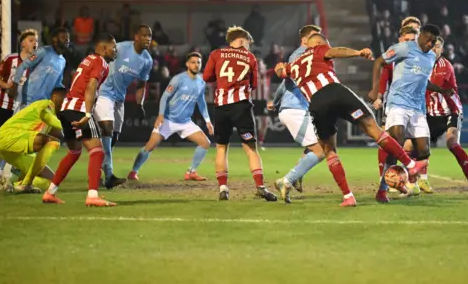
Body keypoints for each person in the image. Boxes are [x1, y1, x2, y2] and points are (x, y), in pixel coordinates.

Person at [277, 33, 428, 207]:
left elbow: (281, 72)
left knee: (330, 152)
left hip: (317, 105)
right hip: (335, 92)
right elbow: (336, 51)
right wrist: (357, 53)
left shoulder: (294, 64)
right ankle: (410, 164)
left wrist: (280, 68)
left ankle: (348, 196)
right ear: (318, 42)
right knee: (373, 128)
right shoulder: (318, 49)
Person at [368, 24, 451, 203]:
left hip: (418, 109)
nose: (430, 44)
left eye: (433, 42)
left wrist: (442, 90)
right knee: (396, 140)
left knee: (424, 151)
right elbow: (379, 62)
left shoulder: (430, 57)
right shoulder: (404, 48)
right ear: (420, 36)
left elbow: (422, 80)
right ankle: (383, 189)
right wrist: (376, 90)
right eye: (428, 40)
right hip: (397, 103)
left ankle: (405, 178)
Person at [42, 34, 118, 206]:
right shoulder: (101, 62)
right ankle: (92, 195)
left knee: (74, 152)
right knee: (97, 150)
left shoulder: (88, 59)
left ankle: (50, 192)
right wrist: (88, 114)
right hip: (79, 109)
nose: (116, 51)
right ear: (104, 48)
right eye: (114, 48)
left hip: (66, 109)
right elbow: (91, 86)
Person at [202, 26, 277, 202]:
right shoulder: (250, 57)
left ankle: (223, 188)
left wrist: (221, 81)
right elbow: (254, 85)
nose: (249, 47)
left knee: (221, 147)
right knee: (251, 149)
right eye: (249, 43)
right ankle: (260, 186)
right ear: (242, 40)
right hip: (241, 106)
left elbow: (206, 77)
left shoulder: (216, 54)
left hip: (221, 106)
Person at [128, 53, 213, 180]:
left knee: (205, 143)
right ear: (187, 64)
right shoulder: (178, 79)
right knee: (150, 146)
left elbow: (201, 102)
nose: (196, 65)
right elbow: (164, 97)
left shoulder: (201, 82)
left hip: (185, 122)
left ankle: (191, 172)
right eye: (193, 62)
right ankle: (134, 171)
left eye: (198, 62)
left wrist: (207, 121)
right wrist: (161, 115)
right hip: (168, 120)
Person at [266, 24, 325, 203]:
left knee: (319, 144)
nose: (318, 41)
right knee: (321, 150)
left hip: (301, 109)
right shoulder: (301, 55)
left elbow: (286, 83)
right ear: (304, 39)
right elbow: (286, 81)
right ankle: (287, 180)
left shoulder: (307, 56)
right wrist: (276, 101)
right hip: (295, 109)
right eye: (314, 37)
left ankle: (297, 175)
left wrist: (275, 101)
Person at [93, 25, 153, 189]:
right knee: (107, 128)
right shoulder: (120, 47)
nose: (148, 38)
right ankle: (109, 173)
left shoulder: (147, 60)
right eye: (144, 35)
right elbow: (100, 54)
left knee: (114, 137)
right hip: (104, 92)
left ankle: (97, 168)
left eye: (150, 36)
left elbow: (141, 84)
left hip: (120, 97)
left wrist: (140, 103)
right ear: (136, 37)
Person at [426, 36, 468, 199]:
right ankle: (416, 182)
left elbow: (428, 85)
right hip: (432, 113)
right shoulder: (422, 64)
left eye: (437, 46)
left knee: (452, 143)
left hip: (451, 111)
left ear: (442, 50)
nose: (434, 49)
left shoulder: (445, 67)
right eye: (431, 46)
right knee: (413, 146)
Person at [0, 88, 65, 193]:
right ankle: (26, 183)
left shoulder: (54, 115)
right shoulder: (46, 104)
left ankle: (12, 184)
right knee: (52, 142)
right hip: (10, 136)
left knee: (52, 181)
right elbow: (46, 116)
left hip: (16, 149)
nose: (66, 103)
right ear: (55, 97)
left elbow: (61, 133)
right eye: (64, 99)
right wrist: (68, 126)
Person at [0, 29, 39, 183]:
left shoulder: (37, 63)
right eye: (31, 40)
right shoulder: (11, 59)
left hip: (22, 109)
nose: (35, 43)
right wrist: (7, 85)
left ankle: (4, 172)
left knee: (14, 141)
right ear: (22, 43)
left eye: (36, 41)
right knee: (1, 141)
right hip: (4, 105)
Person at [9, 27, 70, 110]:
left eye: (68, 38)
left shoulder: (63, 61)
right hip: (28, 101)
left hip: (43, 104)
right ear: (55, 39)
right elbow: (22, 66)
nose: (67, 40)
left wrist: (67, 93)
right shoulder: (43, 51)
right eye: (63, 37)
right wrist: (15, 85)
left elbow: (57, 84)